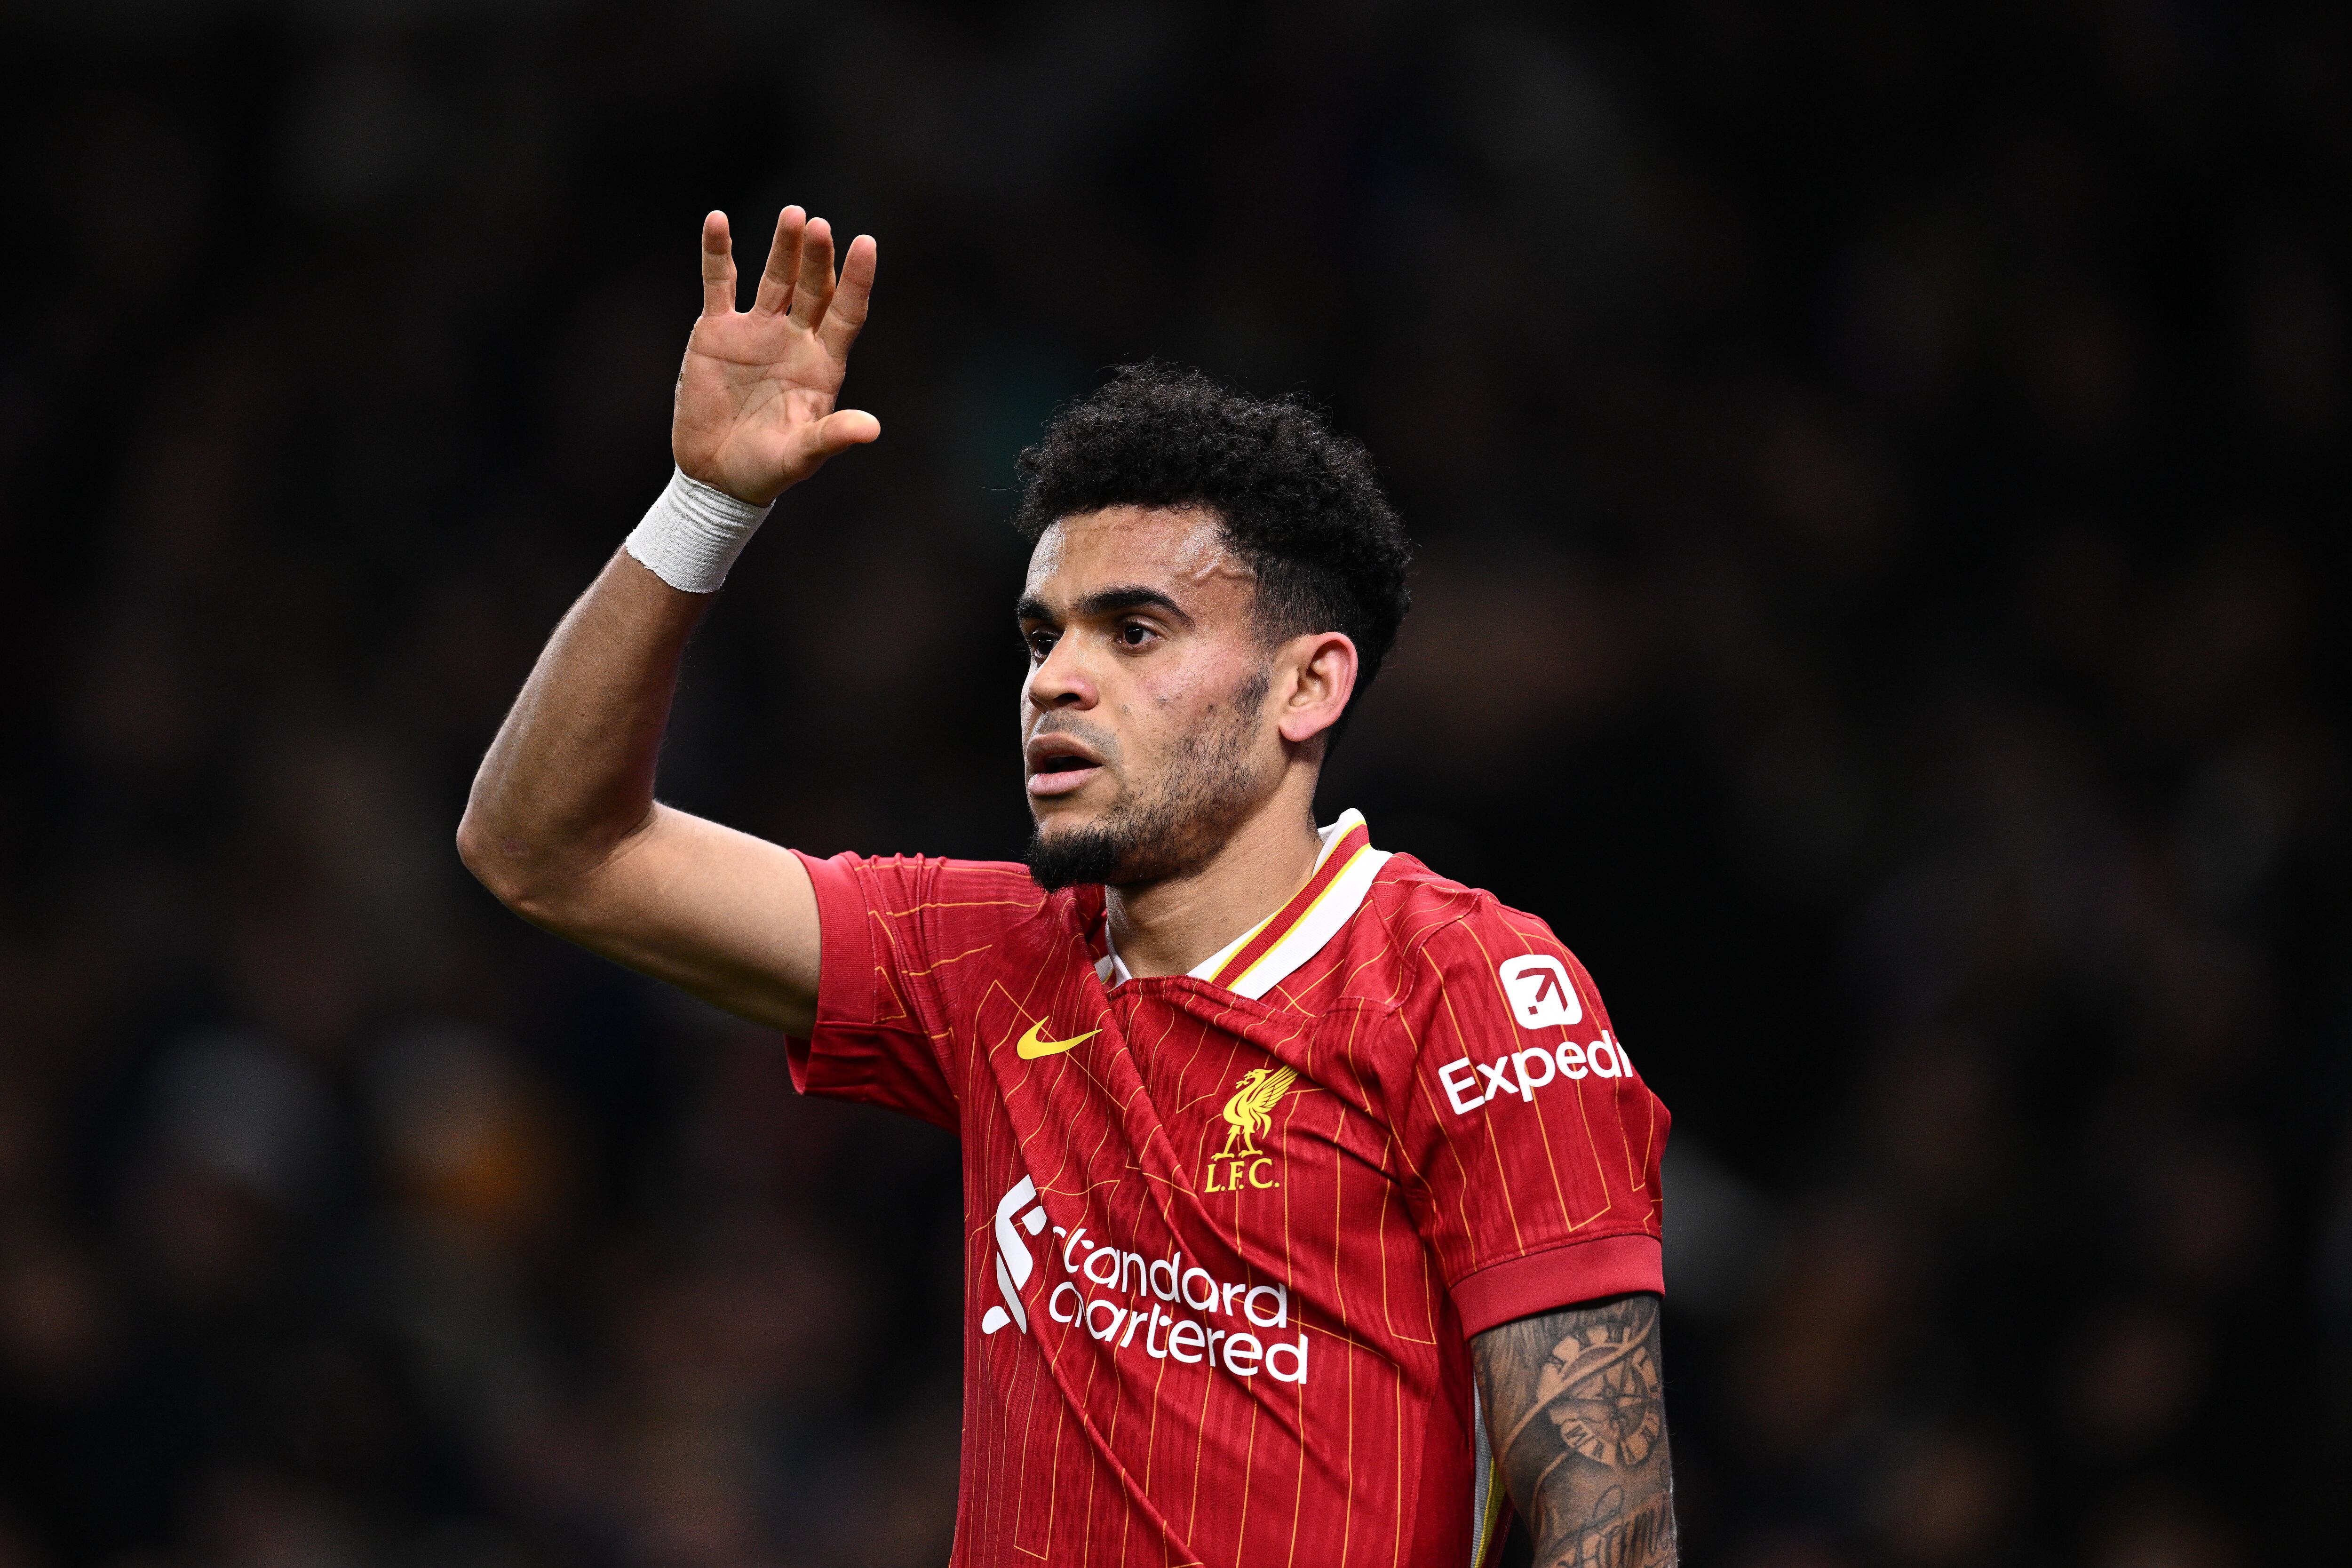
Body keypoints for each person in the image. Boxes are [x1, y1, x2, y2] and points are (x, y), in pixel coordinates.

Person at [458, 206, 1678, 1568]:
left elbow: (1613, 1528)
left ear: (1308, 686)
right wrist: (707, 507)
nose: (1057, 678)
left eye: (1134, 630)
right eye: (1042, 635)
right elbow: (547, 849)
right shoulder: (988, 960)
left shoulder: (1475, 995)